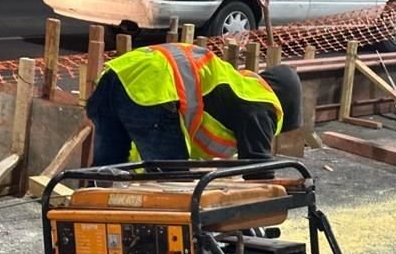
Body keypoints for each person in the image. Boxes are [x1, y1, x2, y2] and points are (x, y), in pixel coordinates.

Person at [86, 43, 302, 175]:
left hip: (115, 75)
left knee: (106, 173)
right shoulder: (262, 104)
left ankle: (88, 231)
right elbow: (258, 170)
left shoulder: (237, 85)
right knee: (171, 183)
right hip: (153, 87)